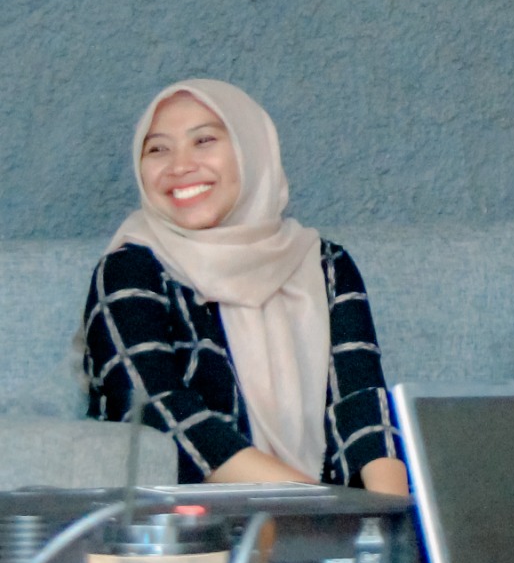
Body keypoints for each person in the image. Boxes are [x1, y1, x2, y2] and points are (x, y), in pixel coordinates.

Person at [82, 81, 407, 493]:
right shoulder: (130, 269)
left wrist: (392, 523)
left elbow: (362, 402)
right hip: (192, 530)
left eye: (204, 140)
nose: (179, 165)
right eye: (158, 149)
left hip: (329, 525)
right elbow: (154, 412)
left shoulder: (325, 263)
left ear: (252, 151)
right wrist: (316, 507)